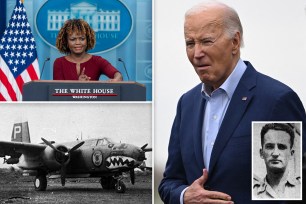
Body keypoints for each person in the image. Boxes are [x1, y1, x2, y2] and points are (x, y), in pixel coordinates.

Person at [158, 1, 306, 204]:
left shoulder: (276, 101)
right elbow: (170, 182)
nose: (197, 53)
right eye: (190, 43)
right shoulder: (187, 104)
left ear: (235, 42)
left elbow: (294, 191)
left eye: (207, 41)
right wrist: (185, 196)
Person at [53, 19, 123, 81]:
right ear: (66, 41)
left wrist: (117, 79)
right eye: (73, 39)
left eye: (82, 39)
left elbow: (117, 75)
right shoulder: (59, 63)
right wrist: (79, 85)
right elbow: (57, 90)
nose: (78, 43)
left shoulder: (98, 61)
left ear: (88, 40)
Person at [253, 123, 301, 199]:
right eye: (269, 147)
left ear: (291, 154)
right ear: (261, 153)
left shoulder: (301, 187)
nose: (275, 153)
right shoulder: (252, 191)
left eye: (282, 147)